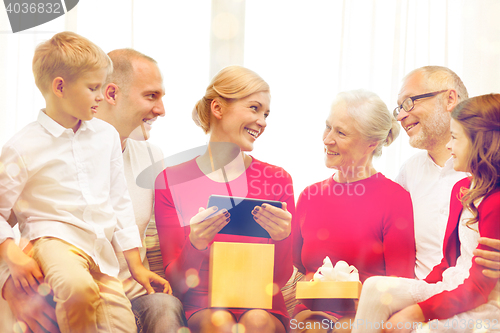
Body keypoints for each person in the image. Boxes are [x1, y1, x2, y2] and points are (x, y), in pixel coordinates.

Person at [0, 48, 188, 333]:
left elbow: (154, 229)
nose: (161, 110)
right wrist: (7, 285)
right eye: (151, 96)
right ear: (110, 94)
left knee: (164, 306)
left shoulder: (152, 157)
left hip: (125, 294)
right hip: (63, 291)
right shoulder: (34, 148)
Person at [154, 65, 295, 333]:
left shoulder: (277, 179)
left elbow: (280, 278)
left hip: (263, 305)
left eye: (266, 114)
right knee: (217, 323)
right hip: (203, 306)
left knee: (256, 321)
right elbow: (175, 279)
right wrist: (196, 243)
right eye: (254, 108)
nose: (263, 121)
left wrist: (282, 237)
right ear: (218, 109)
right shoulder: (171, 180)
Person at [352, 93, 500, 333]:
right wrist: (419, 293)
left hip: (483, 302)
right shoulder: (461, 190)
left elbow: (480, 288)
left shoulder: (495, 203)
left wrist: (416, 311)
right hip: (451, 284)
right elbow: (448, 261)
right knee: (375, 288)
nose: (449, 146)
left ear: (480, 142)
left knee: (422, 330)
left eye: (455, 137)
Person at [291, 90, 416, 333]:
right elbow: (297, 267)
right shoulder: (309, 196)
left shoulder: (395, 199)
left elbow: (400, 283)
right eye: (328, 127)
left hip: (365, 315)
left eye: (341, 133)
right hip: (308, 315)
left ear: (372, 143)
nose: (327, 139)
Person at [393, 66, 500, 280]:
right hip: (421, 302)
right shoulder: (408, 172)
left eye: (409, 102)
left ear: (450, 99)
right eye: (398, 108)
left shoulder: (491, 172)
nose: (400, 116)